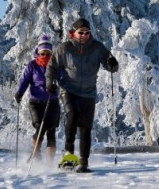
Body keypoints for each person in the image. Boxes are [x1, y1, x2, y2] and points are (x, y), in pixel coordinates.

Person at [45, 18, 119, 173]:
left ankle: (83, 161)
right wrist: (50, 82)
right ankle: (68, 155)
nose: (84, 35)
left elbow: (108, 62)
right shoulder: (64, 48)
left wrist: (112, 64)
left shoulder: (96, 47)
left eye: (87, 32)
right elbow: (52, 66)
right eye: (81, 32)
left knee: (86, 127)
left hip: (89, 92)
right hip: (69, 90)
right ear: (73, 32)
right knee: (72, 116)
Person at [15, 35, 60, 165]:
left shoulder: (56, 65)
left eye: (48, 53)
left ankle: (49, 164)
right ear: (38, 52)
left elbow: (64, 78)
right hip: (36, 102)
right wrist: (19, 93)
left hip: (52, 102)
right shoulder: (32, 65)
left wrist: (55, 85)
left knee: (51, 131)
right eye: (42, 53)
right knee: (40, 126)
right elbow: (25, 80)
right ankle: (35, 152)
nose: (45, 55)